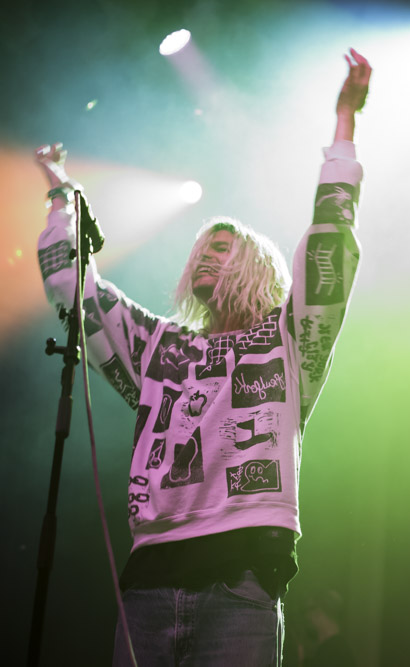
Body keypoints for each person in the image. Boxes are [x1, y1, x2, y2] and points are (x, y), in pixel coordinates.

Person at [35, 49, 371, 667]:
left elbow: (329, 251)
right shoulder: (162, 347)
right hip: (148, 587)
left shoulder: (287, 341)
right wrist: (63, 201)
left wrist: (343, 125)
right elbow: (77, 293)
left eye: (225, 247)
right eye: (203, 249)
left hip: (239, 583)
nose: (209, 256)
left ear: (255, 265)